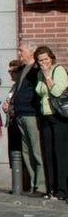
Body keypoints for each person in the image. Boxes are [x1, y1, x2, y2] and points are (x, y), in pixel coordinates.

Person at [3, 40, 43, 195]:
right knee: (26, 153)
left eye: (21, 51)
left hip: (31, 114)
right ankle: (34, 184)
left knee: (36, 151)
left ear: (31, 52)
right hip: (20, 114)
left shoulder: (35, 68)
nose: (19, 53)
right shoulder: (23, 69)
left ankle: (41, 185)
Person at [34, 46, 68, 200]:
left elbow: (57, 92)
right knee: (48, 153)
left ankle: (62, 190)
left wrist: (48, 76)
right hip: (46, 116)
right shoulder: (40, 73)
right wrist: (44, 76)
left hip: (59, 117)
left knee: (60, 154)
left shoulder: (58, 70)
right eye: (40, 60)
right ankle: (51, 189)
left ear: (51, 58)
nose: (43, 63)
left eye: (46, 59)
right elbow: (40, 91)